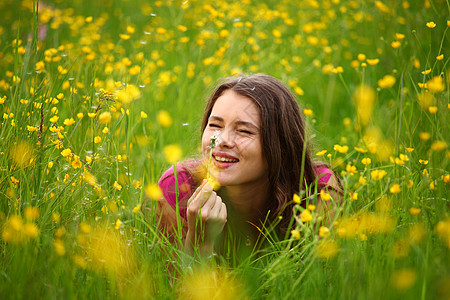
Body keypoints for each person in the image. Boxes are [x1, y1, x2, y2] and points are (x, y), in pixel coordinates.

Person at [155, 73, 342, 255]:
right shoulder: (179, 187)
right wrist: (200, 242)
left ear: (280, 145)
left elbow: (326, 280)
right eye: (215, 126)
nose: (221, 140)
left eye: (244, 131)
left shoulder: (317, 190)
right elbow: (174, 284)